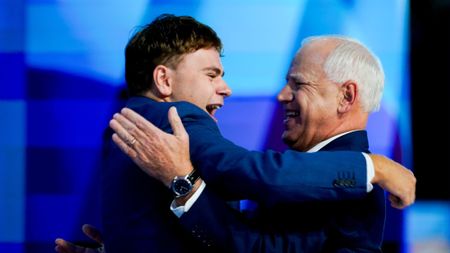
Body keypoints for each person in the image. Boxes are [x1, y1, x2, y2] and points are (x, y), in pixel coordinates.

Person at [55, 14, 415, 253]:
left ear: (346, 96)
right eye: (212, 75)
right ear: (164, 80)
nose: (280, 95)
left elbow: (251, 244)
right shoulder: (176, 117)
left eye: (297, 84)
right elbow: (242, 178)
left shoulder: (343, 184)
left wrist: (370, 169)